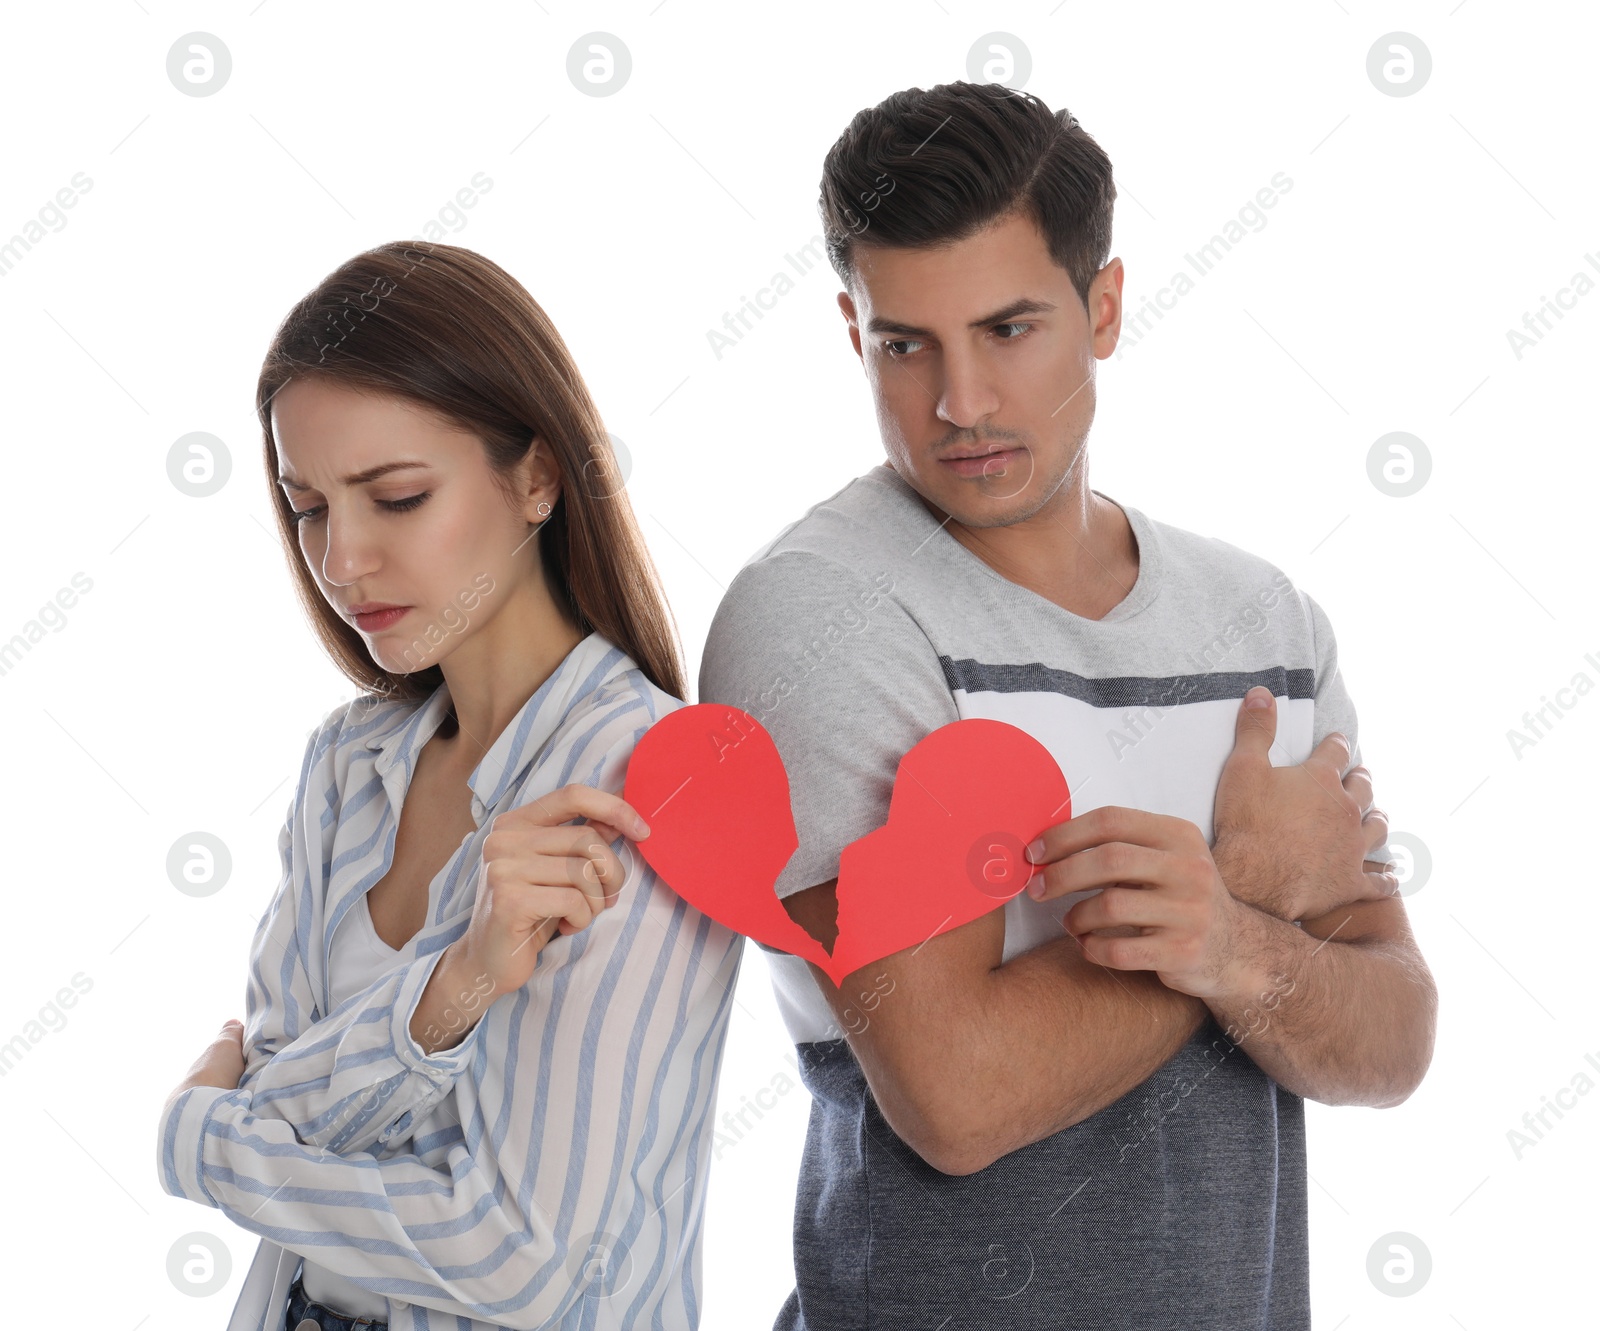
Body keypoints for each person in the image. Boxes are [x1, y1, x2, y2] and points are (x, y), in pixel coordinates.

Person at [698, 82, 1437, 1330]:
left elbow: (1393, 1035)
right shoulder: (821, 617)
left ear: (1101, 308)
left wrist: (1232, 935)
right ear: (849, 326)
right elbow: (956, 1096)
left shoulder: (1261, 623)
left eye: (1009, 328)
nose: (961, 403)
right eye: (904, 342)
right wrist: (1246, 890)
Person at [156, 240, 742, 1331]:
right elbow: (276, 1097)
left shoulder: (650, 784)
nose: (342, 560)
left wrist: (199, 1143)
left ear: (535, 475)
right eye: (309, 506)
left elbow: (524, 1259)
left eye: (397, 496)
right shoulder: (346, 766)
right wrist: (452, 987)